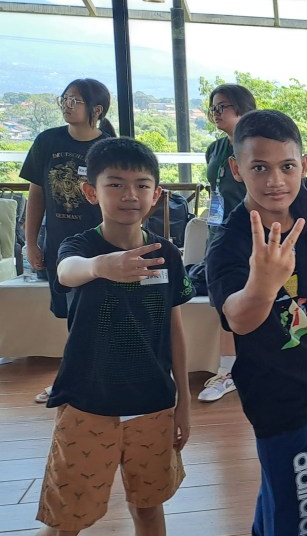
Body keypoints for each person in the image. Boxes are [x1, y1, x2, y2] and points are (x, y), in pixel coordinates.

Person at [36, 137, 192, 536]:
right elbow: (67, 271)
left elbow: (174, 328)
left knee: (149, 508)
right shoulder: (80, 246)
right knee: (65, 520)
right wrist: (100, 266)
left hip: (153, 401)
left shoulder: (166, 254)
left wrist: (184, 402)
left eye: (141, 185)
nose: (130, 195)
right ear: (91, 192)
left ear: (156, 194)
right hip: (87, 401)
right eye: (116, 184)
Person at [206, 109, 307, 536]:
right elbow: (237, 319)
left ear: (303, 165)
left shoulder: (304, 217)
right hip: (277, 396)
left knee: (282, 492)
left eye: (287, 166)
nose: (275, 181)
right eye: (260, 167)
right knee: (298, 507)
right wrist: (262, 284)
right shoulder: (230, 243)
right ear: (237, 169)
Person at [20, 78, 115, 404]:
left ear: (97, 110)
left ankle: (80, 377)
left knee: (96, 312)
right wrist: (32, 242)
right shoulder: (47, 141)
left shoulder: (108, 147)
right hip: (58, 245)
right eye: (65, 99)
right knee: (70, 315)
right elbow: (36, 194)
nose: (67, 105)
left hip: (99, 246)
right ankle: (78, 376)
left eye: (75, 100)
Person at [198, 83, 257, 403]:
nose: (216, 113)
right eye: (214, 108)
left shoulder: (256, 146)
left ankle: (253, 364)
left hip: (250, 235)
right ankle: (228, 370)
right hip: (218, 234)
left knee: (254, 298)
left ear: (243, 109)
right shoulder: (216, 149)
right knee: (223, 301)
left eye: (223, 107)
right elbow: (215, 192)